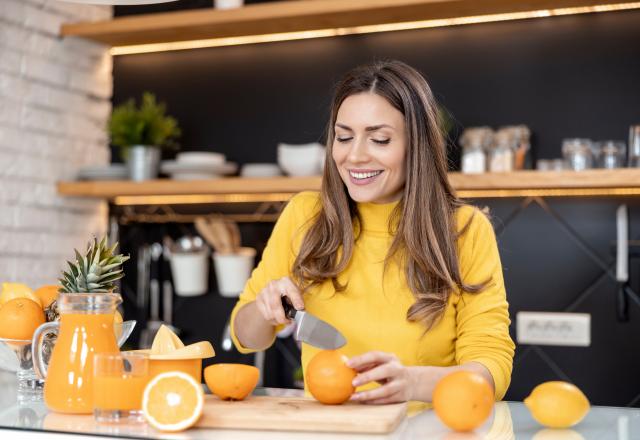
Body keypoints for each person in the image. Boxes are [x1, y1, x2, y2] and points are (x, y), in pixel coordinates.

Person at [230, 60, 515, 404]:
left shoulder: (465, 230)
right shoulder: (306, 215)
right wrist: (264, 309)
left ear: (416, 145)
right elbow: (246, 335)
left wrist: (411, 383)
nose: (354, 156)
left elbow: (491, 369)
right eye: (343, 137)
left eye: (379, 139)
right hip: (330, 429)